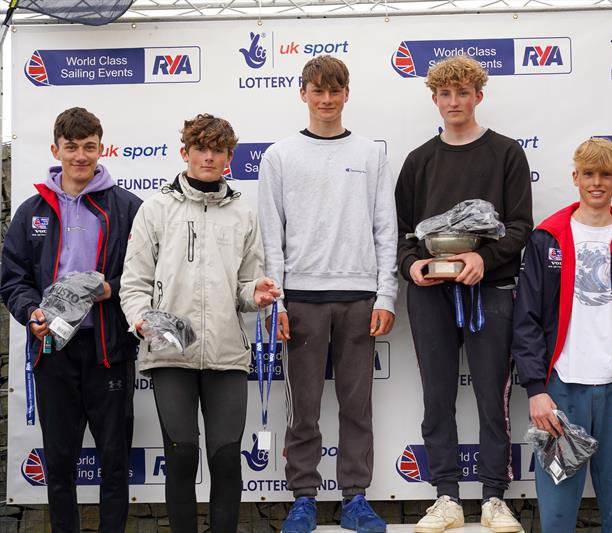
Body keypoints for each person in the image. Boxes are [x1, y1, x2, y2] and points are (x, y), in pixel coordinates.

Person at [119, 114, 279, 533]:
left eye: (218, 150)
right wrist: (141, 321)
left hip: (227, 354)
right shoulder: (155, 209)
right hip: (171, 354)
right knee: (182, 453)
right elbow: (132, 284)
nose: (208, 157)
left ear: (229, 157)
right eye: (200, 149)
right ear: (185, 152)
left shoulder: (244, 213)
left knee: (226, 457)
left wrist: (255, 294)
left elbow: (246, 285)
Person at [258, 55, 397, 533]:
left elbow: (385, 228)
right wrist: (276, 301)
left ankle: (356, 498)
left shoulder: (370, 153)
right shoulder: (279, 156)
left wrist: (385, 297)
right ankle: (303, 498)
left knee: (358, 406)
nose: (326, 100)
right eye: (317, 91)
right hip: (301, 299)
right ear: (303, 94)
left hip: (359, 297)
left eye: (334, 91)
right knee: (305, 410)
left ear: (346, 94)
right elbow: (270, 236)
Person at [394, 55, 532, 533]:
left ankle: (494, 496)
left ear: (479, 95)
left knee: (494, 398)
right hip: (431, 295)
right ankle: (446, 496)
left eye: (463, 93)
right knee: (437, 396)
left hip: (489, 290)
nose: (454, 102)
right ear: (434, 99)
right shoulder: (418, 161)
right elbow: (402, 234)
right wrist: (412, 266)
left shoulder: (507, 153)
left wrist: (483, 259)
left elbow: (519, 227)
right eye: (446, 94)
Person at [0, 107, 141, 533]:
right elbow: (13, 278)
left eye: (89, 147)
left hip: (108, 349)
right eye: (72, 147)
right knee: (59, 461)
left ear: (101, 147)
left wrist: (110, 289)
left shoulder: (127, 206)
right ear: (55, 149)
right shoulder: (32, 211)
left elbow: (146, 274)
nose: (81, 156)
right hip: (53, 349)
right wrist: (31, 312)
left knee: (114, 460)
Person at [512, 138, 612, 533]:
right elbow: (525, 318)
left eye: (606, 175)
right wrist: (535, 389)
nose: (597, 183)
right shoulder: (547, 238)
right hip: (560, 392)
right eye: (589, 174)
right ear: (575, 177)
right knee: (558, 513)